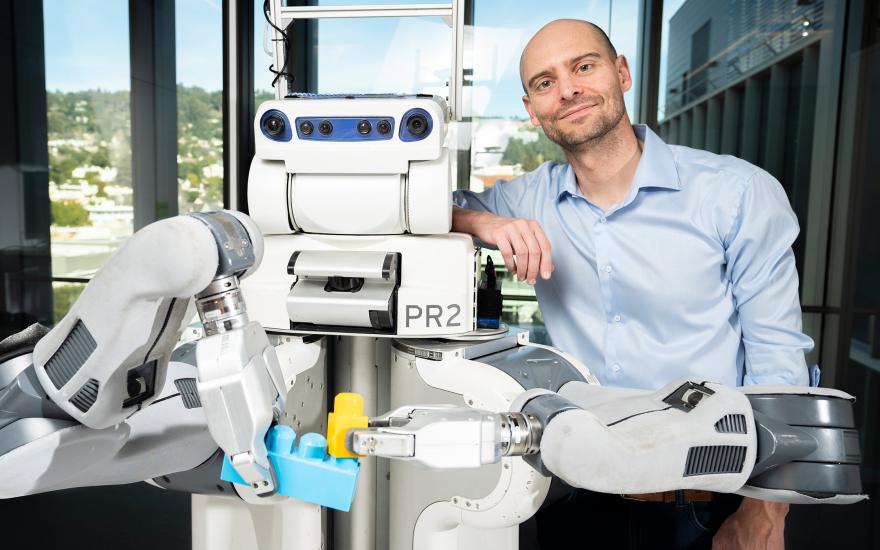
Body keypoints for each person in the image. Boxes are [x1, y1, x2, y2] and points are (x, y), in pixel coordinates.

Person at [452, 18, 813, 550]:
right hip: (574, 494)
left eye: (583, 66)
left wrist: (767, 511)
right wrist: (485, 223)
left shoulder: (736, 193)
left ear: (621, 73)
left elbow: (778, 358)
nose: (568, 89)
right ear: (532, 110)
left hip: (706, 497)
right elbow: (420, 211)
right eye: (545, 82)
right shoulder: (524, 200)